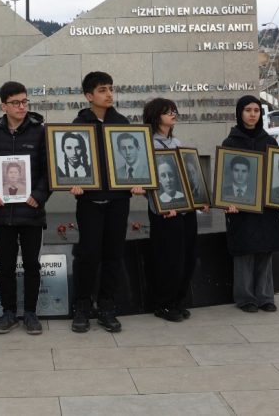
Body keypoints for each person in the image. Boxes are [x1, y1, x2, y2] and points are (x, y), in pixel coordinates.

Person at [70, 71, 145, 334]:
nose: (109, 94)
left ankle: (106, 306)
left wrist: (137, 181)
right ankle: (82, 306)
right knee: (88, 254)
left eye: (111, 89)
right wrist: (73, 181)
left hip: (117, 200)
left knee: (113, 254)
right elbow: (71, 163)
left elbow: (132, 160)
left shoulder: (122, 123)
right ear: (89, 96)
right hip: (89, 201)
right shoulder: (79, 124)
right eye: (103, 90)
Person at [0, 81, 49, 336]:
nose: (22, 106)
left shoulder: (39, 132)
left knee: (32, 265)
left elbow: (47, 171)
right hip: (3, 214)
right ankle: (8, 312)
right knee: (6, 266)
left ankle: (31, 314)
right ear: (3, 106)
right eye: (16, 103)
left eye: (24, 101)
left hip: (32, 212)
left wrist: (39, 195)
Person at [223, 96, 279, 313]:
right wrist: (228, 202)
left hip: (266, 208)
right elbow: (226, 178)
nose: (253, 114)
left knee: (265, 251)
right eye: (247, 110)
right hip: (241, 209)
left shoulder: (269, 142)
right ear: (239, 113)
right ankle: (245, 298)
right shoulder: (230, 143)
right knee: (244, 252)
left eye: (256, 110)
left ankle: (265, 296)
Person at [143, 97, 202, 323]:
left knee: (187, 256)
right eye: (168, 112)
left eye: (174, 111)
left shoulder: (177, 143)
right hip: (164, 211)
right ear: (156, 115)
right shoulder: (149, 144)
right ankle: (163, 304)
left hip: (185, 210)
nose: (173, 115)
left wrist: (199, 197)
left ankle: (178, 300)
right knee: (169, 258)